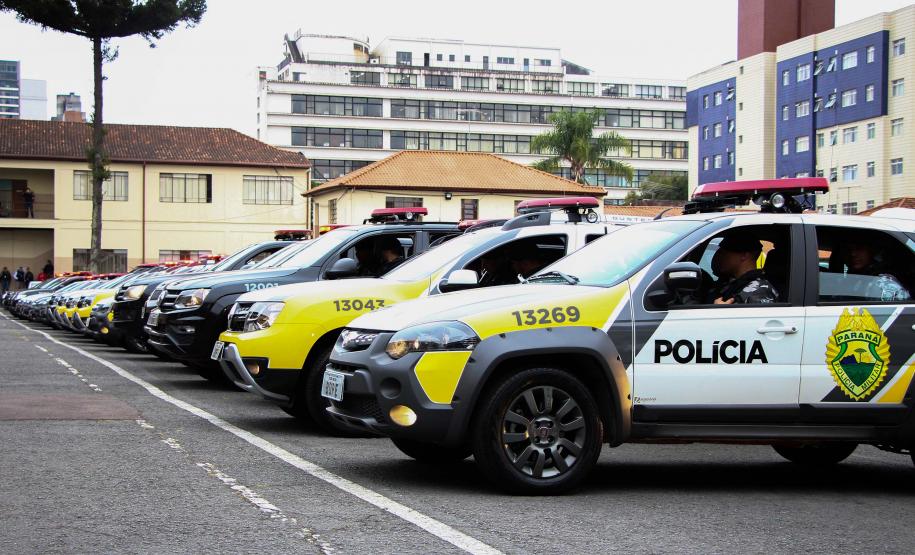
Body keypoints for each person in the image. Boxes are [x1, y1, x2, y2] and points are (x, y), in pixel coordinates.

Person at [711, 235, 779, 305]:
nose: (720, 258)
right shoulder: (731, 284)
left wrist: (721, 312)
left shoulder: (760, 291)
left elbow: (760, 315)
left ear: (744, 255)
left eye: (724, 253)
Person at [843, 238, 910, 301]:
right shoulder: (857, 277)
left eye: (859, 249)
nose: (853, 254)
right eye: (850, 250)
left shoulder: (883, 281)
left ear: (871, 251)